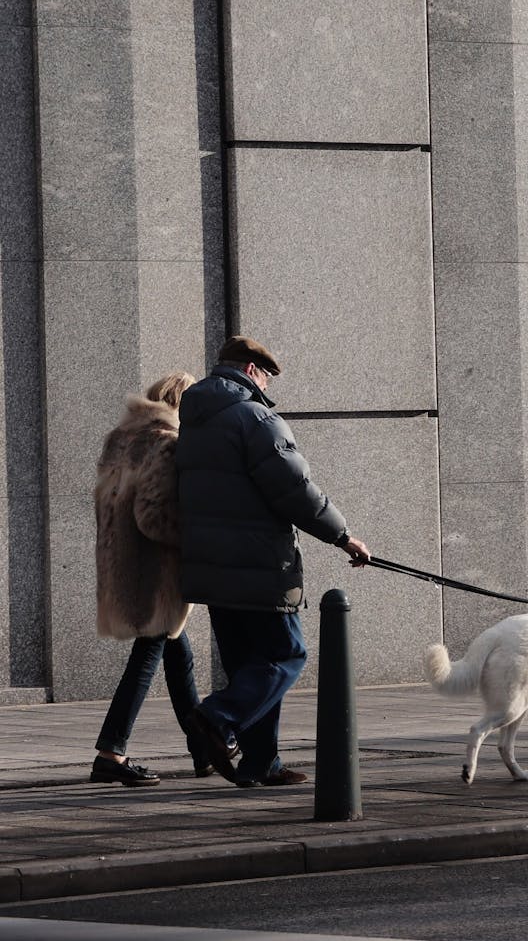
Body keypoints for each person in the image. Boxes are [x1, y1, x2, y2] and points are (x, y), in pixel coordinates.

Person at [177, 335, 371, 787]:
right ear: (250, 370)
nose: (266, 385)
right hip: (259, 564)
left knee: (251, 665)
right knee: (286, 654)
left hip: (212, 567)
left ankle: (259, 761)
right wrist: (342, 536)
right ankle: (216, 717)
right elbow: (295, 490)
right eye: (265, 376)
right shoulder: (257, 418)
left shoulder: (196, 421)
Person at [91, 372, 237, 787]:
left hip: (125, 566)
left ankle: (203, 750)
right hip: (156, 574)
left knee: (178, 658)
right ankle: (111, 751)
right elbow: (154, 516)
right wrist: (196, 537)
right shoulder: (167, 443)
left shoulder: (120, 440)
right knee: (146, 659)